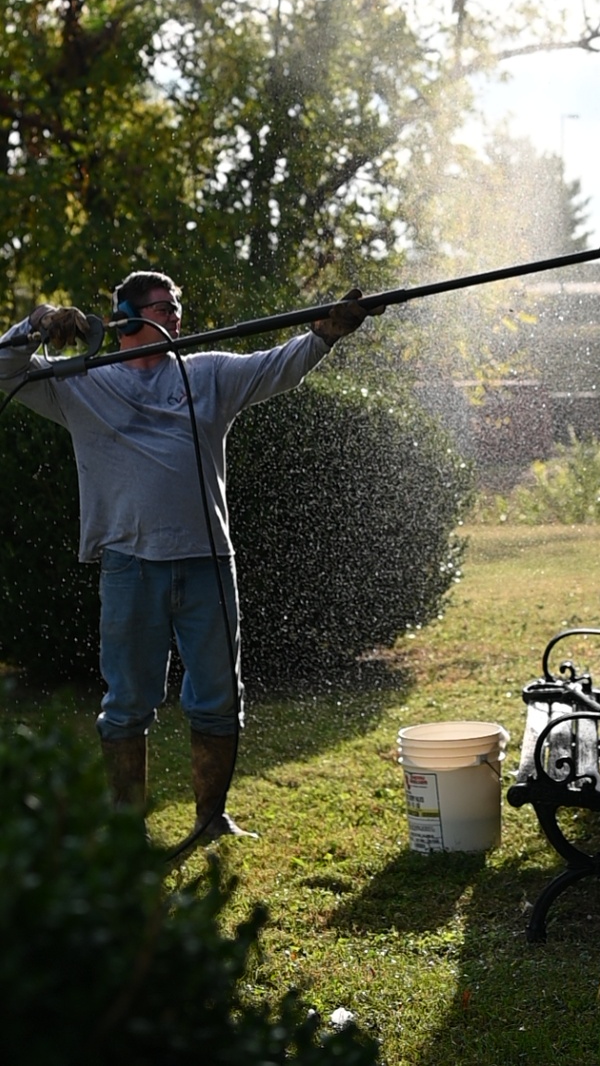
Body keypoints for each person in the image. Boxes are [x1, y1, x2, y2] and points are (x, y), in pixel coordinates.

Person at [0, 269, 372, 841]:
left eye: (176, 307)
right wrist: (39, 322)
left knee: (220, 697)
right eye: (162, 307)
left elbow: (274, 365)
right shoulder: (78, 383)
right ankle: (129, 830)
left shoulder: (207, 373)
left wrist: (324, 335)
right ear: (124, 319)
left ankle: (211, 818)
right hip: (128, 565)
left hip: (207, 560)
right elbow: (4, 370)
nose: (175, 317)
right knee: (126, 702)